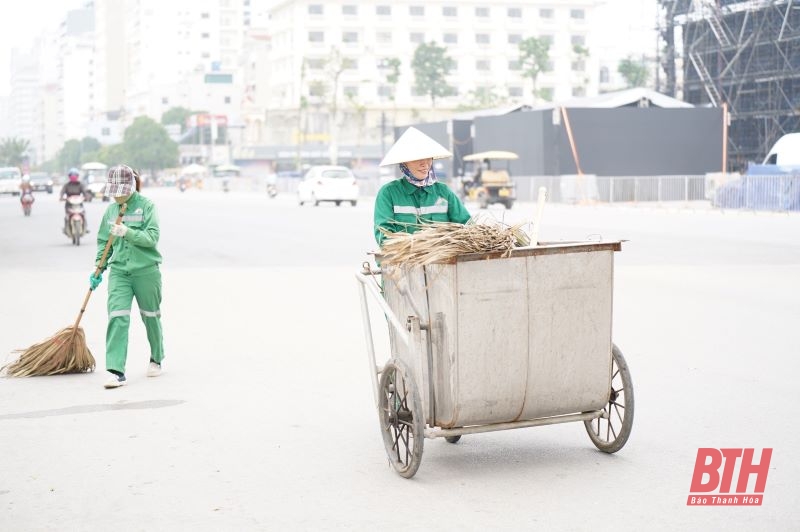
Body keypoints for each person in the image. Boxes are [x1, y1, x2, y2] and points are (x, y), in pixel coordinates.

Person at [89, 165, 165, 389]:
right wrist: (98, 269)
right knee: (117, 316)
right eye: (113, 191)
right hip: (119, 272)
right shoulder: (111, 211)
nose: (116, 195)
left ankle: (156, 358)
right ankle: (115, 370)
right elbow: (104, 242)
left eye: (120, 190)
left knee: (151, 316)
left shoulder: (147, 206)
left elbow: (152, 237)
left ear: (131, 187)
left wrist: (128, 232)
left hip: (146, 271)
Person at [374, 127, 471, 246]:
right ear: (404, 163)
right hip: (403, 262)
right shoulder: (389, 193)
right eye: (417, 159)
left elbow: (468, 227)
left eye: (428, 158)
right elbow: (384, 237)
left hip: (443, 261)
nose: (424, 164)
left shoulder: (443, 192)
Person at [59, 168, 90, 233]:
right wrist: (61, 197)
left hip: (78, 203)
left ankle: (85, 227)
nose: (73, 176)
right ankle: (66, 228)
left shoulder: (80, 184)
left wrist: (86, 197)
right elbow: (62, 192)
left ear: (77, 176)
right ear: (69, 176)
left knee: (83, 214)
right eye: (72, 175)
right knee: (67, 216)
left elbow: (85, 192)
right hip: (69, 204)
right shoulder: (66, 185)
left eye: (75, 175)